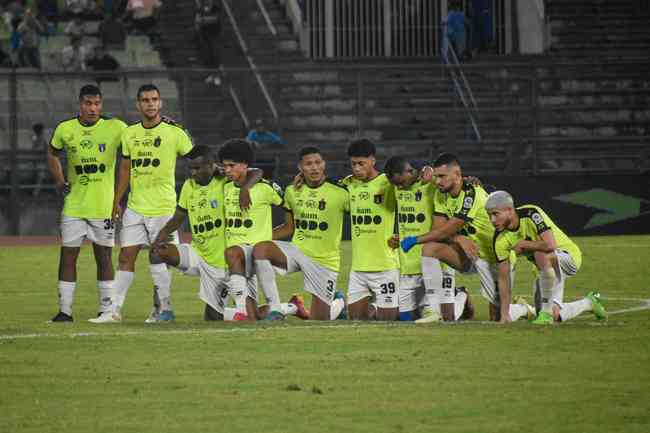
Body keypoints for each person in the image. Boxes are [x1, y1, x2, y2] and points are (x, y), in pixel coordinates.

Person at [400, 153, 534, 323]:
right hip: (472, 254)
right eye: (436, 177)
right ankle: (434, 311)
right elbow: (438, 230)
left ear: (457, 175)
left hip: (497, 258)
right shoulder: (440, 194)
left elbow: (445, 231)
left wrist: (414, 240)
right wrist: (458, 239)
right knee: (430, 248)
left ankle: (523, 309)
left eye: (442, 176)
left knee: (498, 317)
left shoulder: (471, 194)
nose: (438, 181)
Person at [110, 84, 194, 323]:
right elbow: (125, 169)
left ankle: (161, 309)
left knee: (163, 258)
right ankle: (114, 310)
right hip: (135, 207)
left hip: (164, 208)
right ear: (138, 104)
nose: (150, 104)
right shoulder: (129, 133)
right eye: (145, 100)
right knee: (126, 256)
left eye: (154, 99)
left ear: (161, 103)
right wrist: (117, 201)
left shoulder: (174, 132)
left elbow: (195, 156)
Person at [152, 145, 263, 321]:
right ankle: (164, 310)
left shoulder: (224, 181)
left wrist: (245, 189)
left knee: (218, 318)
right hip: (199, 255)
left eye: (197, 168)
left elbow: (257, 172)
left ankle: (290, 307)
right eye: (190, 168)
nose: (193, 173)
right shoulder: (189, 186)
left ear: (212, 165)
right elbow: (180, 215)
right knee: (158, 252)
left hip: (228, 263)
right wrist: (163, 233)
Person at [46, 84, 127, 322]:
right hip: (74, 206)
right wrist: (60, 180)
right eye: (88, 103)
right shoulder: (65, 128)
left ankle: (106, 309)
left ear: (101, 104)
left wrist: (118, 199)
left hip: (104, 206)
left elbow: (135, 147)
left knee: (103, 257)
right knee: (68, 257)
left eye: (97, 104)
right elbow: (52, 153)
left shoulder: (116, 127)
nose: (93, 108)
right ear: (80, 104)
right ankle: (65, 311)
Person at [252, 146, 348, 321]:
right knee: (260, 249)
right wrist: (257, 237)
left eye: (318, 163)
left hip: (324, 260)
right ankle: (275, 309)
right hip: (297, 251)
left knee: (319, 321)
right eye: (309, 164)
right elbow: (289, 228)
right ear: (300, 167)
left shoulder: (341, 192)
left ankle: (338, 303)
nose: (314, 168)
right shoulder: (292, 191)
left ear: (324, 164)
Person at [485, 190, 608, 325]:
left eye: (496, 214)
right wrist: (504, 315)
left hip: (566, 257)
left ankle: (545, 314)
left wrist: (524, 244)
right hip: (545, 271)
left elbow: (550, 245)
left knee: (540, 251)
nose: (492, 220)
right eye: (489, 215)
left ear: (509, 210)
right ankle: (589, 303)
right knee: (555, 315)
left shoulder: (531, 214)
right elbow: (504, 278)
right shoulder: (498, 239)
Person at [384, 156, 474, 322]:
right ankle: (455, 297)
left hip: (436, 259)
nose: (398, 187)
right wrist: (397, 237)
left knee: (447, 318)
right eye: (395, 184)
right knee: (406, 319)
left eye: (401, 182)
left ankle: (460, 296)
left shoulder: (433, 184)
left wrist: (430, 171)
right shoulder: (397, 187)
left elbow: (454, 180)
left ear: (411, 172)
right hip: (408, 263)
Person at [220, 138, 285, 321]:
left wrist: (274, 235)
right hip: (237, 265)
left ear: (245, 165)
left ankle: (240, 309)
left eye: (232, 166)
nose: (227, 170)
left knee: (232, 252)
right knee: (250, 317)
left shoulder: (265, 188)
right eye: (225, 166)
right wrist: (244, 188)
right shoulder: (224, 186)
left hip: (256, 255)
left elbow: (289, 207)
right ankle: (291, 307)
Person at [341, 138, 399, 321]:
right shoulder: (348, 185)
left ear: (372, 161)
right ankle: (371, 305)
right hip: (358, 270)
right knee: (357, 320)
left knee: (388, 321)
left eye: (361, 163)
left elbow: (413, 205)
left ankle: (459, 295)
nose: (357, 168)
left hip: (385, 267)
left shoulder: (388, 183)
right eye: (353, 164)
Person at [194, 0, 222, 86]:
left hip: (214, 35)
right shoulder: (200, 8)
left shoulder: (216, 8)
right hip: (204, 35)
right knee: (207, 54)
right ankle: (210, 74)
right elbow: (197, 20)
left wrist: (204, 20)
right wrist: (200, 23)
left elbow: (216, 19)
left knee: (215, 54)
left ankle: (217, 75)